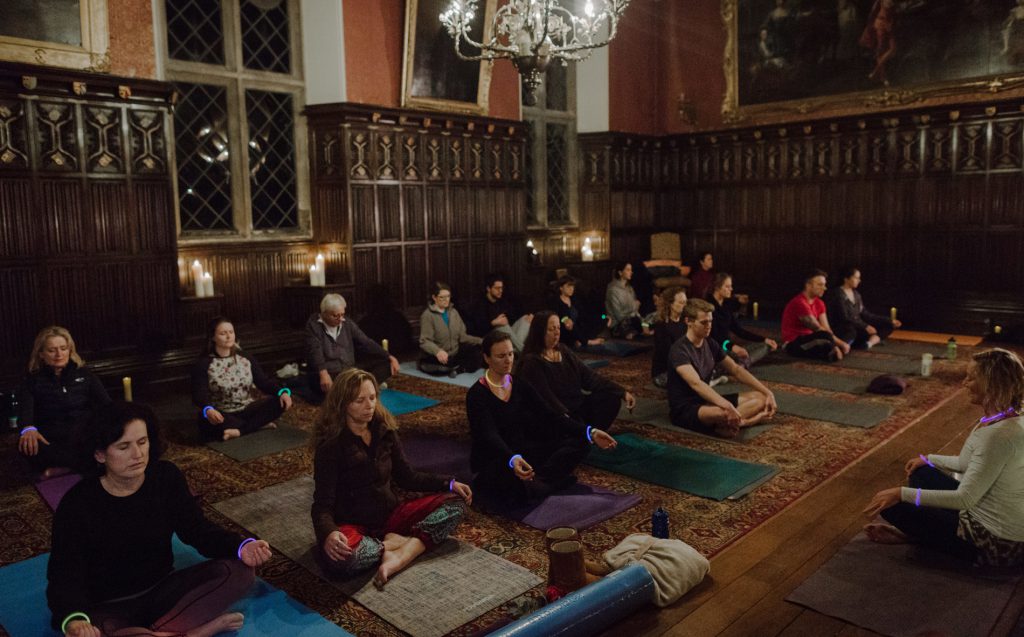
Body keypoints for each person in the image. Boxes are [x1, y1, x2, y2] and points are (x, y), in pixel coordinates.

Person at [47, 401, 272, 637]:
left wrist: (240, 546)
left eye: (142, 442)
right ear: (99, 454)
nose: (137, 454)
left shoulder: (165, 477)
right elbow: (64, 571)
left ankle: (154, 633)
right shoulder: (78, 503)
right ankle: (193, 632)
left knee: (240, 571)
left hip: (163, 590)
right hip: (109, 607)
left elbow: (197, 529)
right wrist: (73, 618)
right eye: (124, 447)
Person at [310, 368, 472, 588]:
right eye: (360, 400)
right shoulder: (330, 446)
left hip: (391, 514)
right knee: (342, 559)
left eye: (372, 398)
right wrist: (328, 533)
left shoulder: (384, 430)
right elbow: (322, 505)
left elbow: (407, 477)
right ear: (343, 403)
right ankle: (396, 545)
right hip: (354, 525)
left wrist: (448, 483)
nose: (369, 405)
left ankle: (402, 554)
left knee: (457, 503)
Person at [863, 349, 1024, 567]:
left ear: (992, 384)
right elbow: (965, 464)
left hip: (996, 544)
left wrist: (902, 493)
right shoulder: (1005, 418)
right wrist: (929, 458)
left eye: (971, 378)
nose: (964, 383)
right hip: (988, 515)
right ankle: (923, 535)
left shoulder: (997, 436)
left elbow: (964, 499)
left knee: (892, 506)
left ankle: (917, 537)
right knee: (921, 473)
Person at [467, 331, 617, 505]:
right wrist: (511, 458)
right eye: (501, 356)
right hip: (498, 456)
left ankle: (539, 482)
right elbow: (488, 435)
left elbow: (550, 415)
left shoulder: (519, 384)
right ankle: (541, 484)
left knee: (581, 442)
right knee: (509, 490)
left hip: (523, 449)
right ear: (487, 358)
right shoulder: (477, 394)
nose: (508, 360)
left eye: (510, 354)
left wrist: (590, 432)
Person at [668, 299, 777, 439]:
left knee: (761, 398)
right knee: (725, 413)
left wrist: (768, 392)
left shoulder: (710, 343)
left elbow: (735, 369)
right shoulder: (679, 349)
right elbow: (696, 384)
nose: (709, 326)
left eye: (710, 321)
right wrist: (728, 406)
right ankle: (743, 422)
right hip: (685, 409)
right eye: (704, 322)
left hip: (705, 401)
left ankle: (730, 423)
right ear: (688, 321)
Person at [518, 311, 635, 433]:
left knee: (611, 398)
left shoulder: (563, 350)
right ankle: (584, 434)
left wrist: (622, 392)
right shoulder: (532, 362)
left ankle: (588, 433)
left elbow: (590, 377)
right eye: (551, 329)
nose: (557, 332)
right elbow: (547, 399)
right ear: (539, 332)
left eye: (558, 328)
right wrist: (567, 418)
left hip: (577, 407)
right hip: (557, 416)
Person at [17, 326, 111, 477]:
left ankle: (66, 468)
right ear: (41, 354)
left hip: (83, 434)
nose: (59, 354)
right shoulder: (31, 380)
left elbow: (107, 405)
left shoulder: (85, 374)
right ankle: (87, 464)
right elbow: (25, 415)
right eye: (52, 350)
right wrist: (28, 429)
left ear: (70, 350)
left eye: (63, 348)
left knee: (108, 438)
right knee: (27, 444)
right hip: (51, 438)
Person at [191, 317, 293, 442]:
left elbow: (263, 382)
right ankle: (255, 425)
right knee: (205, 420)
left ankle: (240, 430)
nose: (228, 336)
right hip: (222, 413)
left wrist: (282, 392)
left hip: (247, 409)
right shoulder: (204, 363)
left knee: (279, 402)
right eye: (223, 333)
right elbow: (199, 394)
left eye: (231, 332)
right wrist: (208, 409)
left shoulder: (245, 358)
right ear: (213, 337)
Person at [305, 293, 400, 401]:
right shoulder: (313, 326)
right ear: (324, 313)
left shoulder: (346, 323)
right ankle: (361, 387)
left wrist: (389, 356)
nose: (340, 319)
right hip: (328, 373)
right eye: (335, 316)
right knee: (322, 387)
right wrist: (323, 373)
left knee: (386, 362)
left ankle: (356, 389)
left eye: (342, 314)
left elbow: (365, 342)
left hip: (349, 371)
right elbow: (315, 352)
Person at [780, 269, 850, 361]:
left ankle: (829, 350)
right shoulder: (799, 302)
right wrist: (841, 344)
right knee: (825, 337)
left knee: (848, 330)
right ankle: (831, 350)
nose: (824, 288)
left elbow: (826, 328)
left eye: (824, 285)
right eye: (820, 285)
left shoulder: (820, 303)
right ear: (808, 285)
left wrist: (835, 342)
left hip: (814, 340)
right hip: (794, 343)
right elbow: (817, 328)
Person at [710, 273, 778, 368]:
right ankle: (738, 365)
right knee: (734, 354)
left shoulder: (726, 306)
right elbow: (712, 338)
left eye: (731, 286)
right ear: (717, 287)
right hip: (716, 349)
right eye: (727, 286)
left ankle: (740, 364)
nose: (731, 289)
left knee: (765, 345)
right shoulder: (709, 307)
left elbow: (739, 331)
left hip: (727, 347)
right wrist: (732, 346)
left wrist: (764, 339)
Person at [825, 267, 900, 349]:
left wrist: (889, 320)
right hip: (845, 327)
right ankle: (845, 345)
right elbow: (844, 317)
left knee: (888, 325)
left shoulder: (856, 295)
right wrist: (865, 326)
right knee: (851, 331)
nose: (859, 280)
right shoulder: (837, 294)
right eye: (856, 278)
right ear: (846, 279)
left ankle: (869, 343)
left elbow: (866, 314)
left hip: (859, 326)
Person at [418, 282, 483, 376]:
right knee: (441, 369)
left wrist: (481, 341)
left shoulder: (454, 312)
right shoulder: (428, 315)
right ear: (434, 297)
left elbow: (462, 337)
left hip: (453, 354)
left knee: (477, 353)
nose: (446, 300)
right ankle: (455, 369)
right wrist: (437, 351)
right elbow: (425, 341)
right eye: (442, 297)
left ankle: (458, 370)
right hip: (437, 356)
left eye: (448, 296)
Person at [465, 273, 533, 350]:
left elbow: (513, 317)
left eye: (501, 288)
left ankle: (515, 351)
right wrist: (494, 323)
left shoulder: (502, 300)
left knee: (525, 319)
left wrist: (527, 317)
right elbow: (478, 329)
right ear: (488, 288)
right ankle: (522, 350)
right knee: (502, 326)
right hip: (489, 336)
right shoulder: (480, 304)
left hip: (506, 333)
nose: (500, 291)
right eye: (497, 288)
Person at [548, 275, 604, 349]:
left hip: (578, 325)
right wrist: (565, 320)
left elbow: (584, 313)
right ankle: (588, 341)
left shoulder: (574, 299)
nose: (571, 289)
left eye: (573, 287)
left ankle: (580, 339)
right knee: (570, 325)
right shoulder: (556, 301)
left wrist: (603, 317)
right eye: (568, 286)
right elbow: (559, 316)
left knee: (598, 319)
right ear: (561, 288)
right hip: (565, 328)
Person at [652, 287, 687, 388]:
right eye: (681, 302)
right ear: (671, 304)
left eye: (685, 302)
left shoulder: (684, 322)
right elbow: (669, 354)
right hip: (665, 372)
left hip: (683, 365)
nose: (685, 306)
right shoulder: (662, 325)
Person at [605, 262, 643, 339]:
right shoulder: (613, 290)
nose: (631, 272)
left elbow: (636, 311)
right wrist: (634, 307)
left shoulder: (630, 288)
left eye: (631, 270)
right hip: (618, 325)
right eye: (628, 270)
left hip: (632, 320)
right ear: (620, 272)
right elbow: (618, 315)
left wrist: (643, 323)